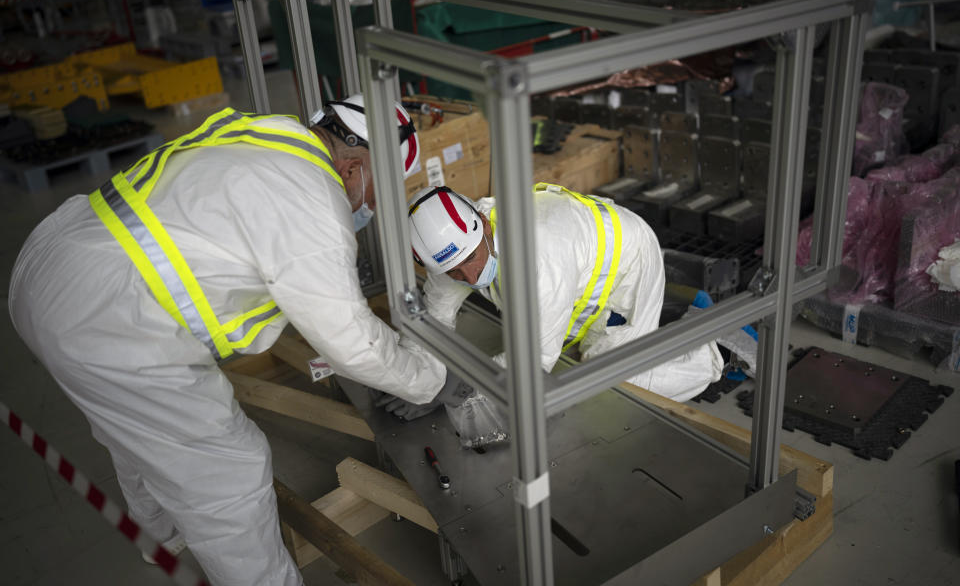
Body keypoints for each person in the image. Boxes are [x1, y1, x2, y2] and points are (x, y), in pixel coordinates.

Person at [7, 94, 469, 586]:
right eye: (378, 195)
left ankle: (160, 533)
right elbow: (351, 342)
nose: (370, 209)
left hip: (53, 262)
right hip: (109, 315)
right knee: (229, 475)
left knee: (136, 429)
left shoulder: (264, 135)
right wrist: (429, 383)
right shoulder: (312, 199)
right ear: (353, 168)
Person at [398, 182, 723, 407]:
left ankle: (710, 354)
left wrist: (452, 393)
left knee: (612, 385)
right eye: (455, 272)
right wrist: (417, 383)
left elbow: (531, 365)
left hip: (628, 264)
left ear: (483, 223)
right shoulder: (449, 252)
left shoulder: (537, 255)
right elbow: (432, 320)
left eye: (470, 260)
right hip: (573, 269)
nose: (468, 277)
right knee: (573, 352)